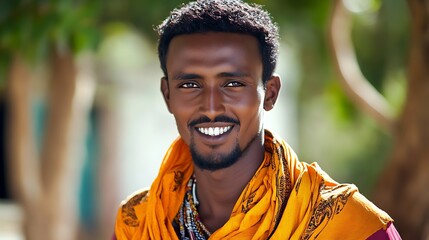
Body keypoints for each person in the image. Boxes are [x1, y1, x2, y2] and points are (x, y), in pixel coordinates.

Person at [114, 0, 401, 239]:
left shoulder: (352, 228)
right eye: (190, 85)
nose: (211, 107)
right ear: (167, 96)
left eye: (233, 84)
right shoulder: (138, 223)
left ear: (270, 94)